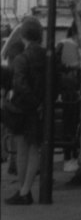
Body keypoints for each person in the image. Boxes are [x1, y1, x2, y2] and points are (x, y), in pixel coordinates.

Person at [5, 18, 46, 206]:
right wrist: (41, 103)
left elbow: (19, 84)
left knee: (22, 149)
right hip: (39, 109)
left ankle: (24, 191)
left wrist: (32, 102)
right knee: (34, 149)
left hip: (23, 108)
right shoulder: (47, 57)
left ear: (23, 36)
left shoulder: (22, 58)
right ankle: (25, 189)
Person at [57, 21, 81, 163]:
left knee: (70, 123)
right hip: (71, 90)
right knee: (71, 123)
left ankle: (70, 154)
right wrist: (71, 66)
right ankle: (70, 154)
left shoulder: (62, 44)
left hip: (69, 90)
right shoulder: (69, 44)